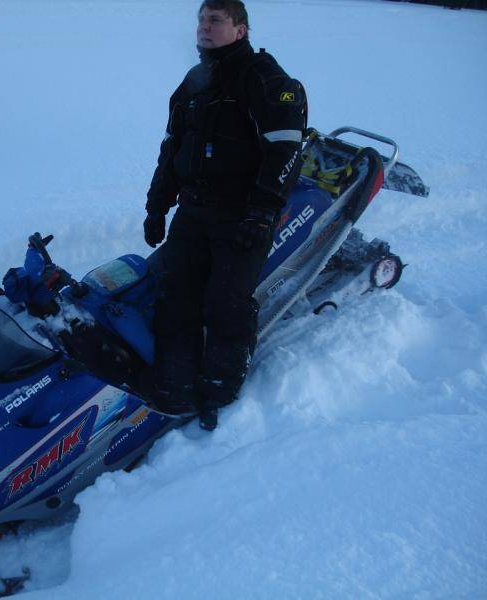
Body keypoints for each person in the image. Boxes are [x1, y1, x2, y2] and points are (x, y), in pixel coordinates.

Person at [144, 0, 306, 430]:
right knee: (174, 298)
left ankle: (220, 391)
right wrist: (157, 206)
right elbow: (171, 149)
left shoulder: (268, 80)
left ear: (241, 29)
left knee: (225, 304)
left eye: (215, 20)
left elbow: (285, 151)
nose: (204, 27)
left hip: (242, 214)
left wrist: (262, 213)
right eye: (201, 19)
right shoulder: (195, 82)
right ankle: (175, 389)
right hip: (194, 211)